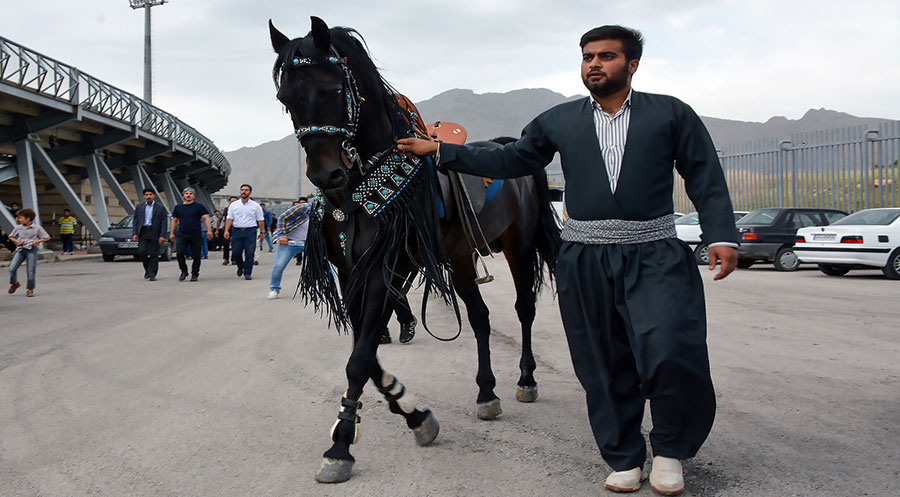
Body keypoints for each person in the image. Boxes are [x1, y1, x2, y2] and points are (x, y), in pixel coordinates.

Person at [398, 25, 738, 496]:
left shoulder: (671, 115)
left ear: (632, 64)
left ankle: (669, 451)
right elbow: (513, 159)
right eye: (587, 57)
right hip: (585, 258)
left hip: (655, 253)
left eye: (606, 56)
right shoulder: (559, 120)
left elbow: (705, 174)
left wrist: (722, 234)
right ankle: (624, 456)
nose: (594, 64)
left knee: (670, 353)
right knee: (601, 360)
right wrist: (441, 151)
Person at [267, 197, 310, 299]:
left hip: (311, 244)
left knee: (326, 266)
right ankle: (274, 289)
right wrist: (282, 235)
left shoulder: (329, 211)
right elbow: (282, 217)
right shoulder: (304, 208)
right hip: (290, 242)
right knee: (278, 266)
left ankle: (331, 290)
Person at [170, 187, 212, 282]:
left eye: (191, 193)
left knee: (196, 255)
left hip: (196, 234)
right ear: (183, 195)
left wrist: (209, 230)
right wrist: (172, 233)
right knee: (180, 253)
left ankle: (195, 273)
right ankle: (184, 271)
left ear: (194, 196)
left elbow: (206, 218)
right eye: (186, 193)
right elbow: (174, 220)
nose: (188, 195)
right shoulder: (178, 207)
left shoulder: (199, 207)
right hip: (182, 234)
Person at [223, 184, 265, 280]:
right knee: (236, 252)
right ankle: (240, 267)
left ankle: (247, 272)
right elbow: (229, 218)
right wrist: (226, 230)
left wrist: (262, 232)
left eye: (246, 190)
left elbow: (260, 220)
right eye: (242, 190)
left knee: (250, 253)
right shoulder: (234, 205)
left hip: (250, 231)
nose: (244, 191)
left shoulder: (256, 206)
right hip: (237, 231)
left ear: (250, 192)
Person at [7, 208, 50, 297]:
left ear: (28, 218)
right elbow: (11, 236)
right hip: (21, 249)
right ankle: (14, 283)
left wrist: (36, 242)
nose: (19, 219)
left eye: (21, 217)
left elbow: (47, 237)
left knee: (30, 270)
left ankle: (30, 289)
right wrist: (16, 241)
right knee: (12, 268)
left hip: (32, 249)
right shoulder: (18, 228)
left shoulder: (37, 228)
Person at [131, 188, 168, 281]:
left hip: (154, 232)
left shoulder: (160, 208)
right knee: (142, 251)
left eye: (150, 194)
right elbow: (135, 221)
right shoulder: (139, 207)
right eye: (146, 195)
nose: (148, 196)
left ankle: (152, 274)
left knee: (154, 254)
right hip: (143, 232)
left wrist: (163, 235)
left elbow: (164, 222)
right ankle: (148, 269)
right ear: (144, 196)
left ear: (154, 195)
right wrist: (135, 233)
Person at [220, 196, 238, 265]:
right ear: (229, 202)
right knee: (226, 244)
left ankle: (234, 259)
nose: (233, 202)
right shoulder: (226, 209)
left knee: (235, 245)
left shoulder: (239, 209)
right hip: (227, 229)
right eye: (232, 201)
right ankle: (226, 259)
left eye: (235, 201)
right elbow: (221, 219)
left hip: (236, 228)